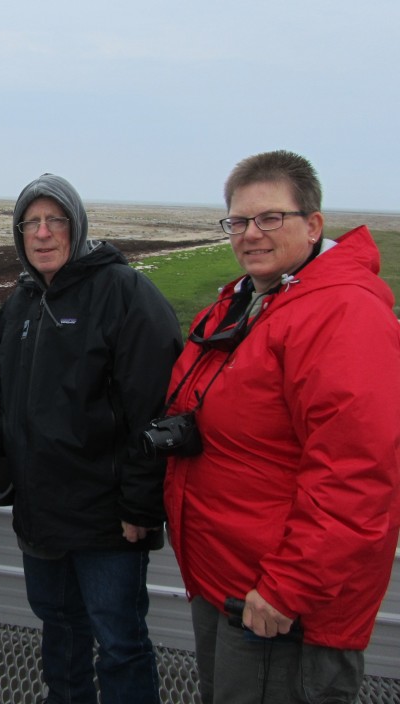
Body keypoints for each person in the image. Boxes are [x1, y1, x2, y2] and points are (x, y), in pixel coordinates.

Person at [162, 150, 400, 704]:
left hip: (280, 607)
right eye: (238, 221)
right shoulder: (249, 302)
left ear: (313, 225)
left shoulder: (343, 315)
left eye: (270, 218)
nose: (251, 234)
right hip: (226, 581)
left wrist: (288, 587)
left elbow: (357, 477)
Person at [0, 173, 182, 704]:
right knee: (59, 626)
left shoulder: (124, 294)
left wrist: (141, 506)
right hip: (41, 513)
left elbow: (156, 411)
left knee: (119, 640)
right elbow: (2, 392)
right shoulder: (20, 303)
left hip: (108, 520)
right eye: (30, 223)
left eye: (54, 220)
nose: (42, 233)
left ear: (76, 225)